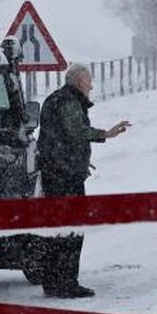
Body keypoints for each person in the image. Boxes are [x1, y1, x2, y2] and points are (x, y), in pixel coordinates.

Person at [31, 63, 131, 298]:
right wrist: (106, 133)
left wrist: (79, 161)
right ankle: (66, 283)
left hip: (57, 172)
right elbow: (76, 132)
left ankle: (52, 281)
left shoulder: (55, 100)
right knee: (72, 228)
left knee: (57, 228)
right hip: (65, 177)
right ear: (78, 82)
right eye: (88, 82)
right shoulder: (68, 102)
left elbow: (60, 139)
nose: (92, 86)